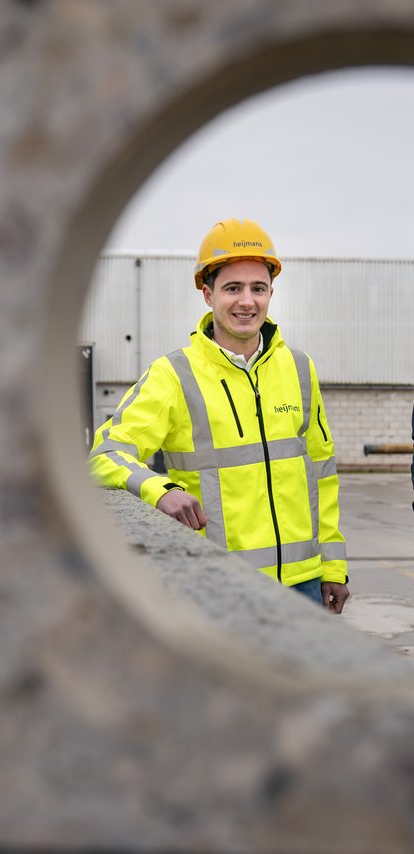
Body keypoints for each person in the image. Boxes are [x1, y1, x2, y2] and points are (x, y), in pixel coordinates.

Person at [89, 218, 349, 613]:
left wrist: (333, 567)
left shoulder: (299, 368)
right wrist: (159, 490)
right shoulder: (174, 375)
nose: (247, 301)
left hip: (304, 587)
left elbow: (321, 474)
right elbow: (103, 455)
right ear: (208, 295)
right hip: (220, 587)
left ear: (271, 293)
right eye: (233, 288)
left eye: (258, 288)